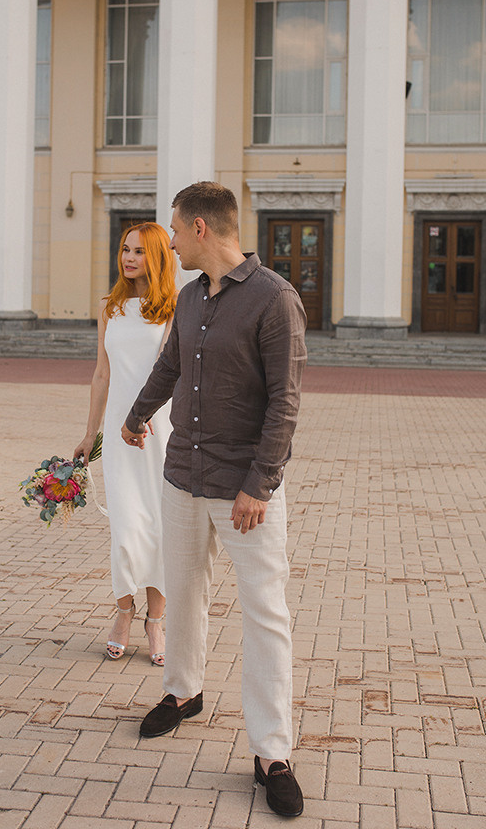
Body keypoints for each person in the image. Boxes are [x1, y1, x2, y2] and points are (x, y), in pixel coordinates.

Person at [121, 182, 307, 818]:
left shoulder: (274, 299)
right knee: (184, 590)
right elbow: (170, 367)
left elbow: (285, 400)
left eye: (174, 229)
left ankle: (272, 752)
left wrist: (260, 483)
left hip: (243, 490)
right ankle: (183, 692)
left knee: (264, 613)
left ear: (201, 228)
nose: (168, 241)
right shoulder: (193, 297)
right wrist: (136, 414)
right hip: (182, 477)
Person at [75, 222, 177, 666]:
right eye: (124, 249)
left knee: (158, 527)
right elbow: (102, 374)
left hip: (157, 431)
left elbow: (166, 371)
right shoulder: (110, 307)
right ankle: (123, 610)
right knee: (125, 528)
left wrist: (146, 416)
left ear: (156, 256)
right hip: (117, 432)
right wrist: (89, 433)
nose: (129, 258)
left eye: (138, 251)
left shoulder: (173, 309)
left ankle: (156, 620)